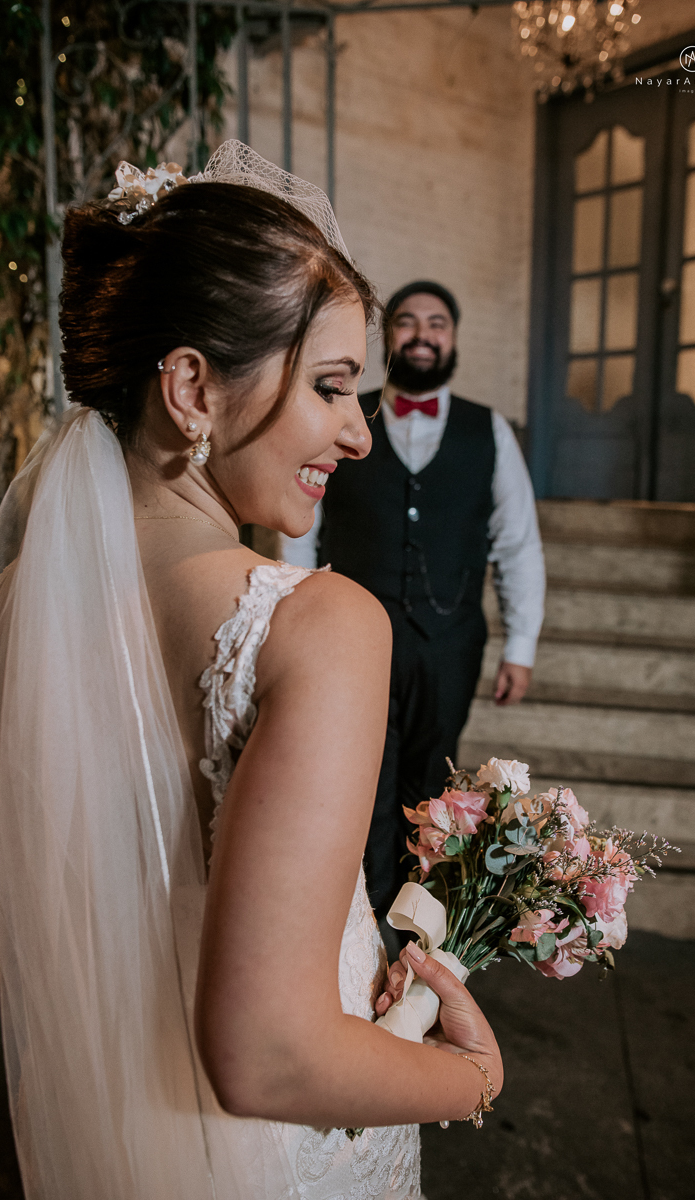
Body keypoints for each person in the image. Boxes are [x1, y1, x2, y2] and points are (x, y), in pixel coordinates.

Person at [0, 146, 502, 1200]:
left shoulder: (16, 600)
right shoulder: (318, 625)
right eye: (331, 387)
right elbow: (267, 1054)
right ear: (192, 389)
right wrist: (467, 1076)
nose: (358, 435)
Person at [282, 281, 545, 922]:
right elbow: (301, 527)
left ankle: (417, 932)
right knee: (357, 779)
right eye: (406, 322)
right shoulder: (346, 416)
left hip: (449, 642)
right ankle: (360, 924)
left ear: (452, 339)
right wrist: (289, 614)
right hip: (352, 639)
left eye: (437, 324)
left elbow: (517, 544)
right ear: (387, 337)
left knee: (433, 790)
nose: (422, 334)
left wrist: (521, 645)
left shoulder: (491, 433)